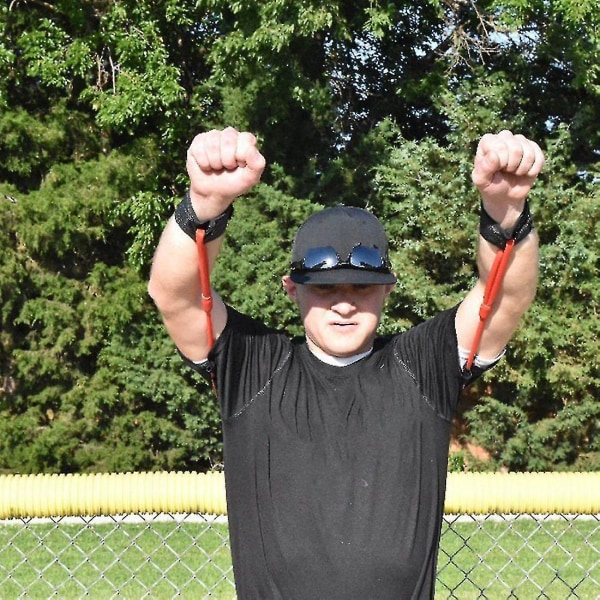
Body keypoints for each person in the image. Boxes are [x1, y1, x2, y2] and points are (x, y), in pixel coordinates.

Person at [148, 127, 543, 599]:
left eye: (361, 287)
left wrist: (505, 214)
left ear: (388, 290)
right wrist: (204, 205)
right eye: (325, 288)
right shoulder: (254, 366)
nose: (343, 304)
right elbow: (175, 295)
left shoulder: (421, 368)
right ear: (291, 288)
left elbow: (505, 296)